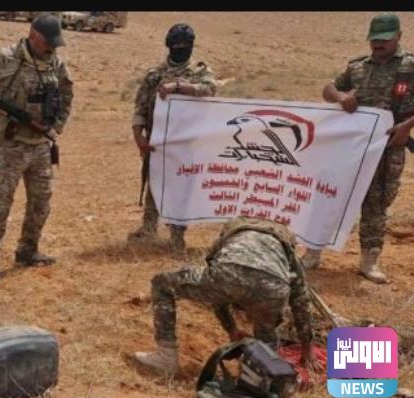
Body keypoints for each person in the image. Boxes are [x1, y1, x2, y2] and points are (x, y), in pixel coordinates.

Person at [302, 12, 414, 283]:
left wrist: (407, 127)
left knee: (376, 203)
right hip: (350, 149)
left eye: (385, 39)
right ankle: (312, 253)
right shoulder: (357, 67)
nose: (378, 44)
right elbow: (328, 89)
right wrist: (340, 96)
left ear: (399, 36)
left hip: (388, 148)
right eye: (375, 40)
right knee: (330, 195)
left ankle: (369, 262)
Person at [134, 217, 322, 377]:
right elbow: (301, 302)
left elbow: (216, 288)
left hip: (228, 276)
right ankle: (264, 373)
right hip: (273, 290)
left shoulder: (233, 233)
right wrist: (307, 350)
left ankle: (166, 356)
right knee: (266, 331)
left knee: (162, 283)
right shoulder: (285, 247)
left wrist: (231, 328)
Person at [0, 14, 74, 281]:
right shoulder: (5, 59)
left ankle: (28, 251)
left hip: (41, 147)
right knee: (0, 204)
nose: (52, 47)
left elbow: (67, 93)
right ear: (33, 34)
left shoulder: (56, 64)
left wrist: (57, 125)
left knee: (41, 203)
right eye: (48, 42)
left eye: (55, 43)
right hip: (11, 147)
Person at [129, 23, 218, 254]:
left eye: (185, 45)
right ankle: (148, 228)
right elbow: (140, 107)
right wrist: (138, 136)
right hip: (156, 141)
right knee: (154, 183)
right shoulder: (155, 74)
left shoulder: (199, 71)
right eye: (176, 44)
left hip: (186, 143)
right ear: (169, 46)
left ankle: (177, 236)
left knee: (180, 188)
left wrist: (178, 87)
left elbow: (210, 89)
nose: (181, 48)